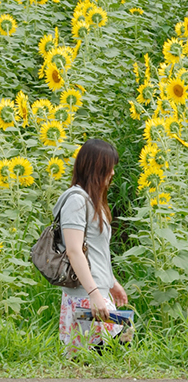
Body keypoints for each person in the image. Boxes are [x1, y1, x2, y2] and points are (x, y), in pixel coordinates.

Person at [55, 138, 130, 353]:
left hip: (96, 291)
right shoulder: (76, 201)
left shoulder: (89, 201)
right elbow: (74, 250)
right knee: (97, 362)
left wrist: (111, 282)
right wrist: (95, 293)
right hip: (86, 295)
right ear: (95, 168)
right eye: (109, 167)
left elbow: (95, 251)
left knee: (111, 358)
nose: (113, 173)